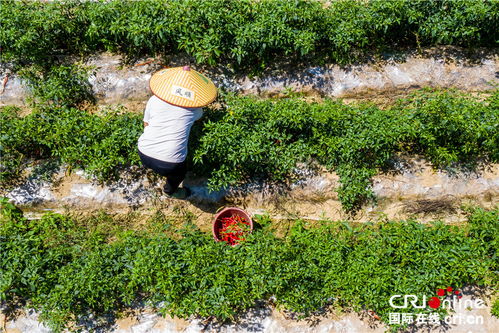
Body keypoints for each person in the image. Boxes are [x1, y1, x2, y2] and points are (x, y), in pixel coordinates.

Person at [137, 66, 217, 199]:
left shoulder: (154, 100)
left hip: (143, 151)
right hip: (170, 163)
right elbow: (198, 119)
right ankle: (170, 191)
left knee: (160, 162)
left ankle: (155, 167)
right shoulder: (195, 110)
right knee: (179, 174)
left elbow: (146, 124)